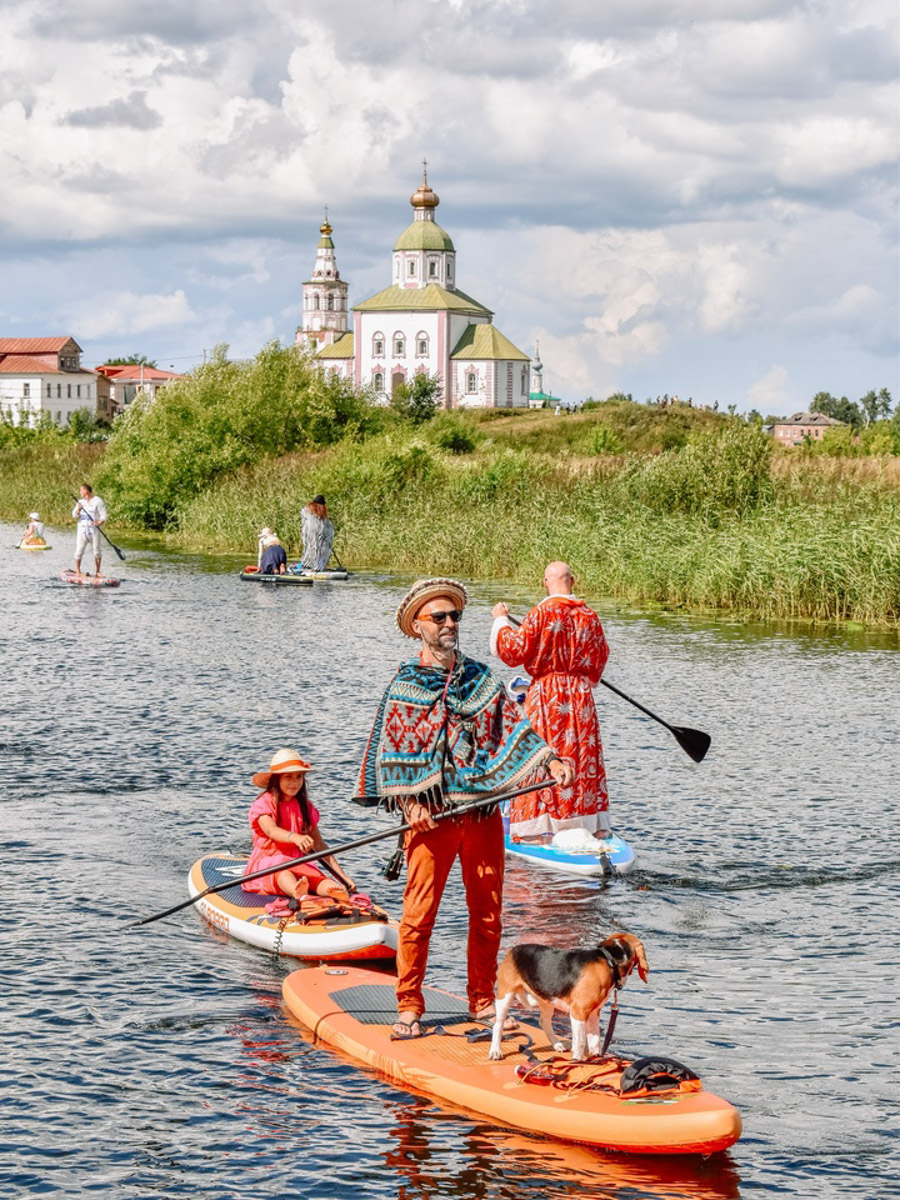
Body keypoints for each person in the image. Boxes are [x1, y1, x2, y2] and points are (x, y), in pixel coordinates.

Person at [357, 577, 573, 1039]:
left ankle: (482, 1002)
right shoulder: (405, 684)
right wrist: (410, 802)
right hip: (430, 819)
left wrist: (550, 760)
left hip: (481, 813)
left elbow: (515, 726)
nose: (450, 623)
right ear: (418, 626)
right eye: (439, 617)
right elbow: (390, 750)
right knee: (418, 916)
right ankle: (409, 1005)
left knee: (488, 915)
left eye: (454, 616)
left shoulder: (480, 678)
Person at [490, 561, 611, 844]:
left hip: (547, 693)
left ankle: (536, 829)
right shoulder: (590, 616)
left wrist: (501, 620)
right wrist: (580, 675)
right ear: (573, 581)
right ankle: (588, 823)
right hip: (580, 695)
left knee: (541, 752)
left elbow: (513, 650)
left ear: (545, 583)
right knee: (581, 754)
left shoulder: (540, 613)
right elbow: (600, 659)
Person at [244, 748, 356, 905]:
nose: (295, 782)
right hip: (268, 864)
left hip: (297, 863)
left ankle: (333, 890)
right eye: (288, 777)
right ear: (276, 779)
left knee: (315, 877)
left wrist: (342, 876)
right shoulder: (264, 803)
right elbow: (271, 830)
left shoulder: (305, 807)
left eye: (299, 777)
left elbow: (320, 845)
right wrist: (294, 837)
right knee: (283, 872)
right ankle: (297, 892)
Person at [72, 484, 107, 576]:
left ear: (86, 491)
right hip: (82, 531)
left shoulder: (98, 501)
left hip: (94, 530)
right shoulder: (80, 502)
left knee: (97, 551)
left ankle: (98, 572)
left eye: (81, 490)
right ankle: (77, 571)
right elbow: (74, 515)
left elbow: (104, 516)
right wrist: (78, 510)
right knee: (79, 551)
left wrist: (99, 522)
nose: (80, 492)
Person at [300, 495, 335, 572]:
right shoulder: (313, 515)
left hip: (315, 540)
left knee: (313, 550)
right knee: (316, 551)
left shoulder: (310, 513)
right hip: (315, 539)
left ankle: (311, 566)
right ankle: (315, 567)